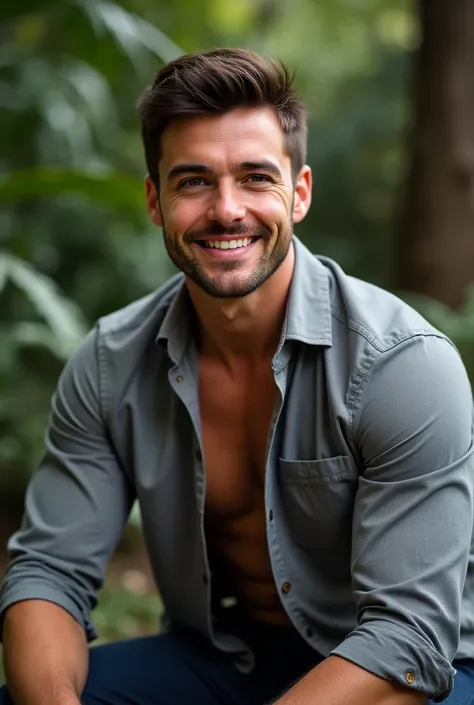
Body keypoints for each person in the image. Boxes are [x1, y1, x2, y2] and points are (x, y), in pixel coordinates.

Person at [0, 47, 473, 705]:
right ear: (154, 200)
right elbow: (48, 573)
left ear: (299, 192)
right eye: (193, 180)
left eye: (255, 177)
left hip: (411, 673)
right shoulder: (111, 365)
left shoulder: (402, 363)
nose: (226, 209)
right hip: (230, 659)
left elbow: (409, 634)